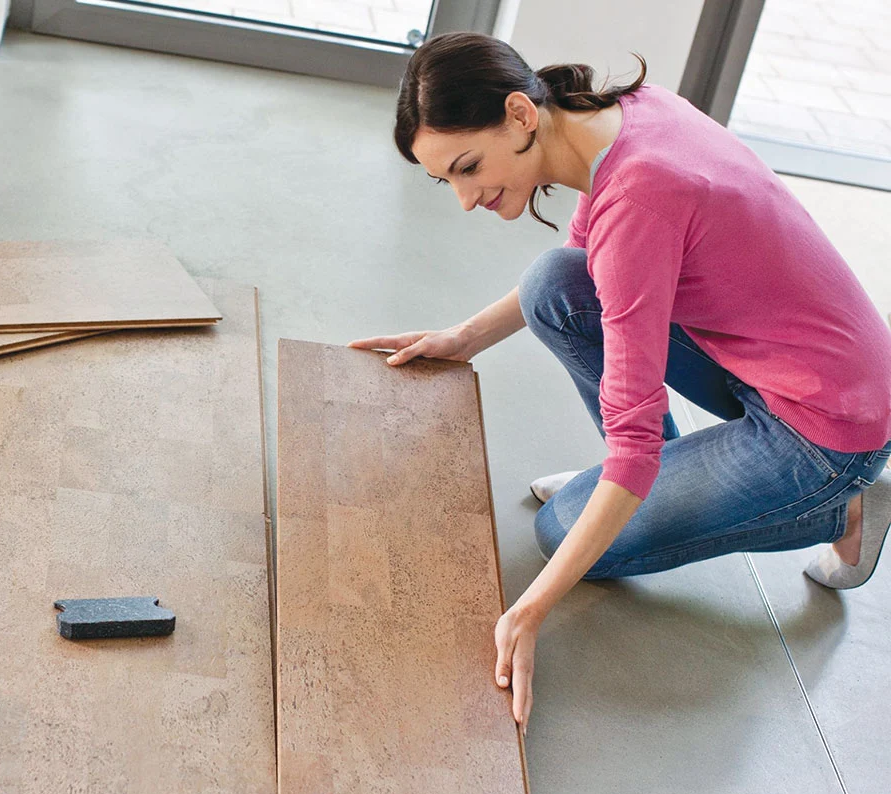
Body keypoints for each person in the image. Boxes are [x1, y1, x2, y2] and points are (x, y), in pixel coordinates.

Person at [349, 32, 891, 736]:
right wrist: (464, 338)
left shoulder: (641, 197)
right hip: (781, 363)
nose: (463, 198)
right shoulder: (625, 113)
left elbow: (634, 447)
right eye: (445, 179)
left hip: (827, 428)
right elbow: (583, 263)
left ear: (519, 115)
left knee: (563, 529)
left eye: (467, 167)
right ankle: (666, 489)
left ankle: (846, 508)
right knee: (553, 283)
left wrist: (528, 610)